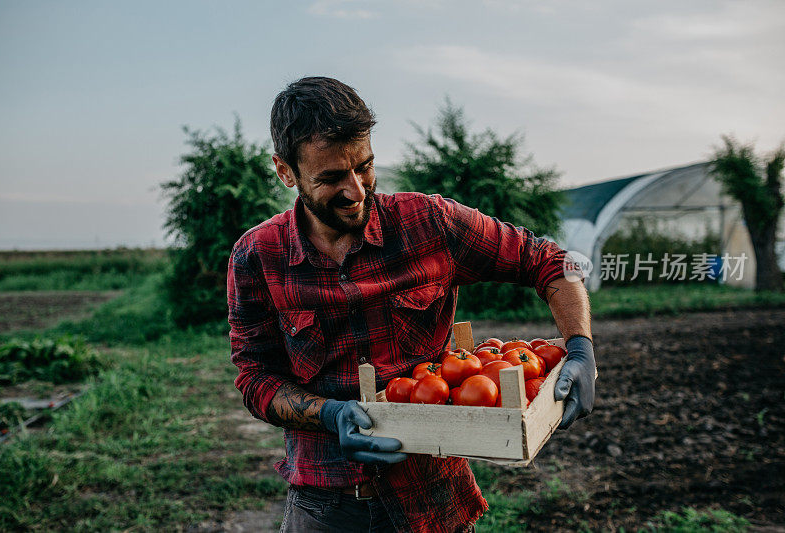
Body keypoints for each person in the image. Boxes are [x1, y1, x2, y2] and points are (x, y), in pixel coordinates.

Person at [227, 76, 596, 533]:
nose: (357, 190)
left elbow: (550, 261)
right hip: (325, 504)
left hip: (432, 498)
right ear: (286, 172)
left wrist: (579, 347)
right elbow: (255, 377)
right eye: (331, 178)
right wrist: (329, 413)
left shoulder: (428, 223)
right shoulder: (257, 257)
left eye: (364, 166)